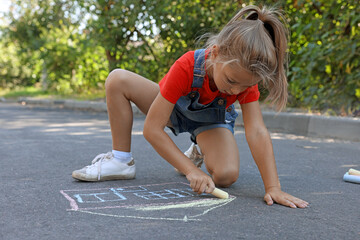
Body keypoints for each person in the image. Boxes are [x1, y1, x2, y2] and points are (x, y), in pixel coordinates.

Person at [72, 5, 309, 209]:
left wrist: (273, 187)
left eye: (244, 86)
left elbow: (256, 131)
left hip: (210, 122)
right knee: (117, 79)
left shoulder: (244, 81)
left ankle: (199, 148)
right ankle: (121, 161)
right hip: (173, 110)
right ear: (215, 54)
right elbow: (152, 129)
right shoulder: (187, 65)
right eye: (231, 81)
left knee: (226, 175)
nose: (236, 91)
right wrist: (190, 171)